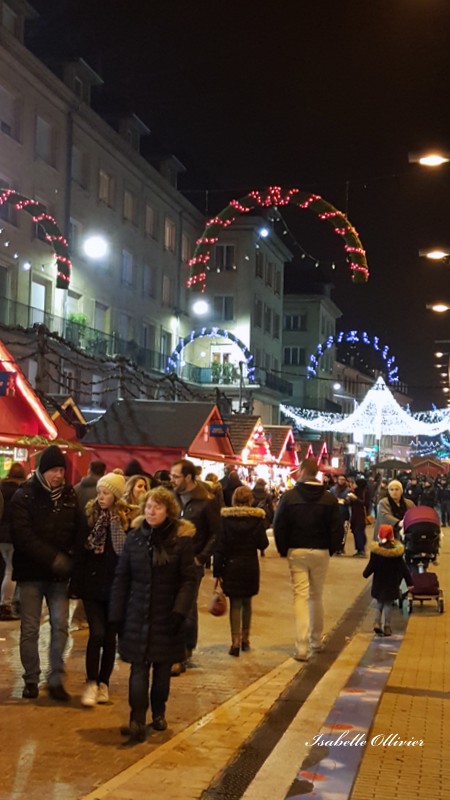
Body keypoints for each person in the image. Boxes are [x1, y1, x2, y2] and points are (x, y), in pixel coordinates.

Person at [109, 487, 197, 745]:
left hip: (167, 616)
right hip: (137, 614)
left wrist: (180, 611)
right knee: (138, 669)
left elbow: (188, 581)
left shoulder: (181, 542)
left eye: (157, 507)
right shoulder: (135, 539)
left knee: (161, 672)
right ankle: (136, 719)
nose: (151, 511)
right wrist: (116, 612)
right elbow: (122, 578)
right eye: (148, 506)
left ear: (168, 510)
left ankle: (158, 712)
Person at [11, 445, 82, 701]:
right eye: (54, 469)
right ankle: (31, 678)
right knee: (30, 628)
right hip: (31, 573)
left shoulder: (69, 496)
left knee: (60, 626)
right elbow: (23, 536)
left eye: (62, 469)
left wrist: (73, 558)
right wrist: (53, 558)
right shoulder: (25, 495)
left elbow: (77, 529)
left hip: (59, 576)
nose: (59, 475)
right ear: (43, 470)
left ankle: (55, 678)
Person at [273, 457, 344, 662]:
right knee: (316, 596)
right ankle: (316, 640)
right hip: (321, 551)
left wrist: (283, 549)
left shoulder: (289, 497)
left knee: (300, 597)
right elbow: (337, 528)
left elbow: (279, 525)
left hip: (297, 551)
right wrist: (331, 548)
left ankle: (301, 646)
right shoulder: (329, 499)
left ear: (302, 470)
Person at [71, 471, 132, 707]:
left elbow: (125, 554)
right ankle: (91, 682)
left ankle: (104, 683)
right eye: (99, 492)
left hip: (116, 588)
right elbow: (81, 552)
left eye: (106, 493)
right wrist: (76, 585)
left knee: (109, 637)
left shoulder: (125, 522)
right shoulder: (89, 518)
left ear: (116, 496)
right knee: (96, 634)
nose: (101, 497)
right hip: (92, 586)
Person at [170, 459, 220, 675]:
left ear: (188, 478)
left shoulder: (206, 501)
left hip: (192, 562)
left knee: (187, 605)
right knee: (173, 605)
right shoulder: (171, 499)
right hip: (170, 560)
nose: (172, 480)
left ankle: (183, 652)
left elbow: (216, 533)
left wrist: (201, 557)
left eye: (176, 476)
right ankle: (180, 649)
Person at [214, 485, 268, 656]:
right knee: (247, 602)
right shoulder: (257, 520)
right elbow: (263, 544)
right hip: (250, 564)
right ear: (250, 500)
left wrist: (217, 571)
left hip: (231, 565)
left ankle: (235, 642)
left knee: (235, 603)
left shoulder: (225, 520)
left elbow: (220, 547)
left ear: (234, 500)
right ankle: (246, 639)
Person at [363, 524, 412, 636]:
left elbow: (371, 566)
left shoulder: (376, 552)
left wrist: (365, 574)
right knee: (388, 605)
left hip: (379, 583)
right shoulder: (397, 553)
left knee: (379, 603)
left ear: (379, 535)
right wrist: (410, 582)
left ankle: (376, 623)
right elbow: (404, 569)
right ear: (392, 536)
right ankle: (387, 626)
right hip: (391, 583)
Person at [0, 463, 26, 620]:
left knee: (5, 569)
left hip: (1, 536)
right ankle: (6, 604)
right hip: (13, 536)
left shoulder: (1, 488)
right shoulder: (21, 492)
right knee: (11, 570)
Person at [348, 477, 371, 557]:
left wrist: (356, 499)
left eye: (355, 483)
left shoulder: (365, 492)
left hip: (361, 516)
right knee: (356, 531)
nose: (354, 485)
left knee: (359, 532)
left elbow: (366, 503)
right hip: (354, 515)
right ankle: (359, 549)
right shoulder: (355, 491)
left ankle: (361, 549)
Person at [329, 474, 351, 555]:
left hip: (344, 513)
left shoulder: (348, 490)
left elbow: (349, 501)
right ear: (337, 480)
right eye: (340, 479)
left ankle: (341, 548)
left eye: (343, 479)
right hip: (335, 513)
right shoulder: (333, 489)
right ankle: (335, 548)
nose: (341, 481)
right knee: (335, 531)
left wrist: (344, 501)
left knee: (343, 532)